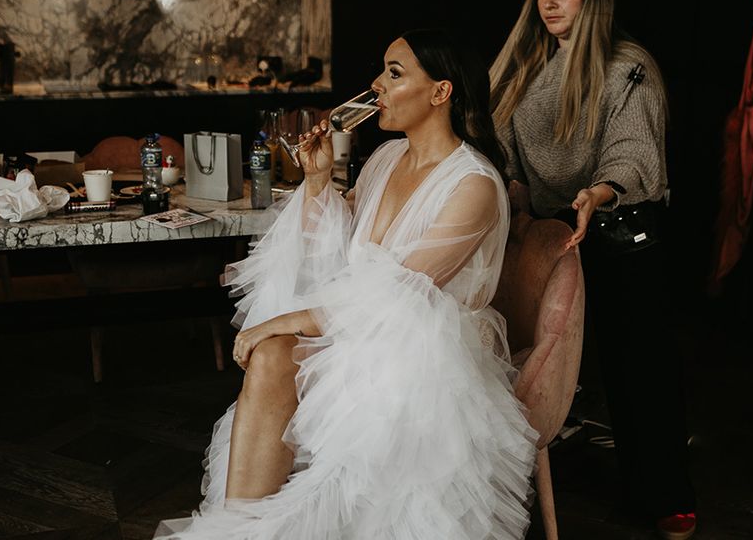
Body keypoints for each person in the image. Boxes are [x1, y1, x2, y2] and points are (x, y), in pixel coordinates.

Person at [154, 29, 538, 540]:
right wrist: (317, 181)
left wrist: (283, 320)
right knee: (271, 356)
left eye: (395, 73)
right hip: (363, 328)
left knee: (275, 348)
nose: (377, 84)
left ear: (441, 92)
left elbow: (398, 293)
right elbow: (330, 253)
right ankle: (237, 529)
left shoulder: (474, 184)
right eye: (382, 70)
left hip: (426, 350)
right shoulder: (383, 159)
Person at [489, 0, 697, 540]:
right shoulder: (526, 66)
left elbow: (632, 148)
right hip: (555, 236)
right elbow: (505, 146)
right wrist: (512, 188)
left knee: (641, 369)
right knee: (545, 359)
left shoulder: (626, 65)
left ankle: (666, 493)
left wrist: (599, 191)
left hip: (617, 230)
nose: (550, 2)